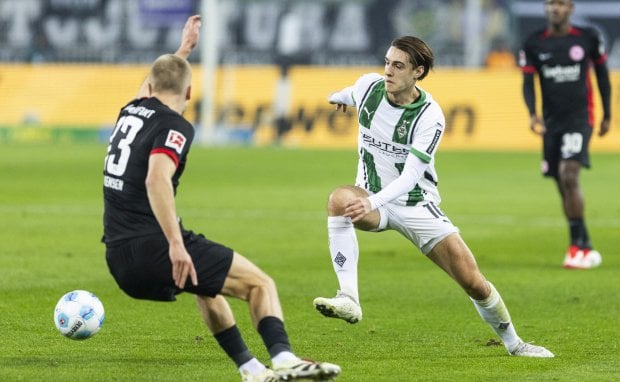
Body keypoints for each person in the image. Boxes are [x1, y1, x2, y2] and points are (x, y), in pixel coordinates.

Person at [102, 15, 340, 382]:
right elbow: (156, 179)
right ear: (190, 93)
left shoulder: (129, 110)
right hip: (156, 248)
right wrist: (176, 245)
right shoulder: (175, 125)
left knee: (206, 285)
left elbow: (155, 81)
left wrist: (182, 52)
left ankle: (250, 369)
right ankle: (284, 358)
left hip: (119, 257)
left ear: (150, 86)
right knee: (261, 284)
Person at [313, 36, 554, 358]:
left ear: (418, 72)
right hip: (370, 196)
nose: (388, 71)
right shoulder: (369, 87)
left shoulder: (429, 116)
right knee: (338, 200)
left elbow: (411, 176)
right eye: (387, 62)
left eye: (398, 66)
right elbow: (347, 93)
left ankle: (515, 343)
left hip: (415, 204)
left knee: (473, 282)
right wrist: (337, 97)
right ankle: (349, 299)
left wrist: (372, 202)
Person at [519, 0, 611, 269]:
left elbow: (603, 76)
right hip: (551, 123)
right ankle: (584, 243)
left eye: (560, 4)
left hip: (581, 118)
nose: (554, 9)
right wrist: (533, 114)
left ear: (570, 8)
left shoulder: (587, 38)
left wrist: (608, 115)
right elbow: (527, 81)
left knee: (569, 173)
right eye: (550, 3)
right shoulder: (533, 42)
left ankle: (575, 246)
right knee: (560, 180)